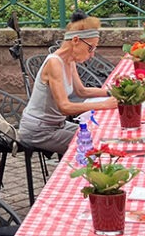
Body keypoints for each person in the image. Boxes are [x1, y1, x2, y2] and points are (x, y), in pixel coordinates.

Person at [16, 17, 117, 155]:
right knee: (92, 145)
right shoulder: (54, 63)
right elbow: (64, 107)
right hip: (39, 130)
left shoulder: (69, 60)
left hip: (57, 125)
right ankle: (79, 175)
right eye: (90, 48)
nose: (92, 54)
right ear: (76, 40)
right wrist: (105, 104)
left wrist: (113, 93)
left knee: (100, 133)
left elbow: (82, 91)